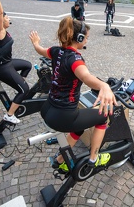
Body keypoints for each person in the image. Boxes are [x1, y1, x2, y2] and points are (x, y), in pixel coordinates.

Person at [29, 17, 117, 173]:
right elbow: (86, 77)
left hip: (48, 109)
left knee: (79, 127)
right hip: (63, 116)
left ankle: (60, 160)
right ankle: (93, 159)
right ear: (80, 38)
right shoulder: (75, 59)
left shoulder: (56, 51)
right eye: (86, 38)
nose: (87, 41)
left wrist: (35, 42)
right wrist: (104, 85)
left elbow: (40, 49)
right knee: (103, 116)